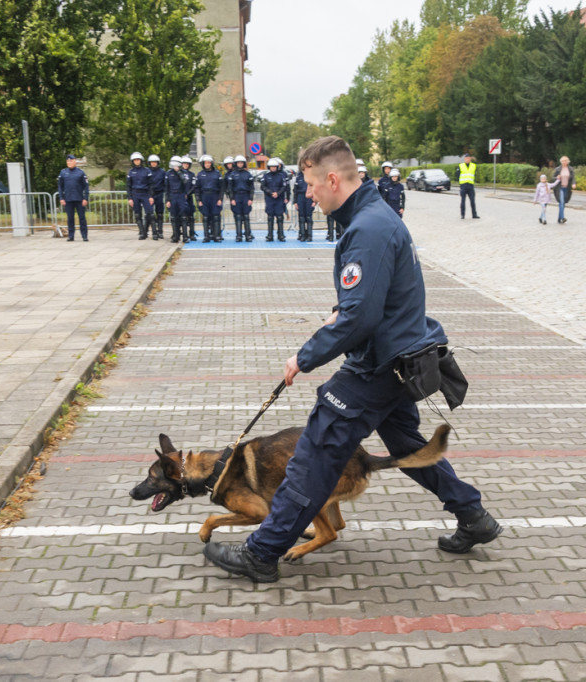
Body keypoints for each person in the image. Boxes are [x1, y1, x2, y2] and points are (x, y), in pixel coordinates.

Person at [203, 135, 500, 583]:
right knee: (407, 448)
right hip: (396, 359)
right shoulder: (372, 218)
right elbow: (373, 300)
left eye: (309, 184)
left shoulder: (368, 229)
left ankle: (261, 554)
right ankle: (473, 516)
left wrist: (305, 356)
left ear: (333, 179)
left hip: (378, 367)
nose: (306, 193)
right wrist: (341, 313)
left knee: (313, 455)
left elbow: (361, 319)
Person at [58, 154, 90, 241]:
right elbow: (60, 187)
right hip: (68, 199)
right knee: (70, 218)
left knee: (82, 218)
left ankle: (84, 235)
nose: (69, 162)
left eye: (71, 161)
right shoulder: (63, 173)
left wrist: (85, 198)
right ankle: (71, 236)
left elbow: (86, 186)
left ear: (75, 161)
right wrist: (61, 198)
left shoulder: (80, 172)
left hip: (79, 199)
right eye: (68, 161)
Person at [195, 154, 224, 242]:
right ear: (203, 164)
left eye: (209, 163)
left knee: (216, 216)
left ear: (211, 163)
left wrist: (220, 199)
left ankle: (216, 236)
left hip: (214, 196)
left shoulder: (217, 173)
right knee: (206, 217)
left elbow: (221, 188)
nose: (207, 164)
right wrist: (199, 200)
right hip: (204, 196)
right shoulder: (200, 174)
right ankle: (206, 236)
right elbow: (197, 188)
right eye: (206, 163)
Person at [126, 151, 154, 240]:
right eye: (135, 160)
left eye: (138, 160)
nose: (137, 161)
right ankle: (142, 232)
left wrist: (150, 196)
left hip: (145, 194)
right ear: (133, 161)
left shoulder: (147, 171)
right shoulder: (131, 172)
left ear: (141, 160)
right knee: (137, 214)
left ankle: (148, 231)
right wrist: (130, 198)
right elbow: (128, 186)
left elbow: (151, 185)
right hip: (135, 194)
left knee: (149, 213)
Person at [260, 157, 290, 242]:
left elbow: (284, 186)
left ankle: (281, 235)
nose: (273, 168)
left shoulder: (281, 176)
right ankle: (270, 235)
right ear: (269, 167)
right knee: (270, 218)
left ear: (277, 167)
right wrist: (270, 192)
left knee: (280, 217)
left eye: (275, 167)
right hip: (270, 199)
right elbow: (263, 186)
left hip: (279, 199)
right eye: (271, 166)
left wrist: (278, 193)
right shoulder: (266, 176)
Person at [226, 155, 254, 242]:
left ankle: (248, 235)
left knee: (246, 216)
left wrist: (251, 199)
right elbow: (230, 188)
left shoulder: (248, 174)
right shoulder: (232, 174)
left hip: (245, 196)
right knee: (238, 216)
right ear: (236, 164)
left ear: (244, 164)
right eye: (238, 163)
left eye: (241, 163)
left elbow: (252, 187)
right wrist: (232, 199)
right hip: (236, 196)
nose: (240, 164)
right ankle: (238, 235)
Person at [165, 156, 189, 244]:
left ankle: (185, 236)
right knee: (173, 217)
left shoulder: (183, 172)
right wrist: (167, 200)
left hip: (181, 195)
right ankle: (176, 235)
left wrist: (178, 172)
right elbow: (166, 187)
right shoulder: (168, 173)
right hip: (172, 196)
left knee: (183, 216)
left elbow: (185, 182)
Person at [552, 156, 576, 224]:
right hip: (560, 188)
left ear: (567, 161)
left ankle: (559, 218)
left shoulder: (571, 169)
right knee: (561, 202)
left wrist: (573, 184)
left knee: (563, 203)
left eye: (565, 161)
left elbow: (573, 178)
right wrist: (557, 177)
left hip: (567, 188)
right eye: (563, 161)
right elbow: (552, 178)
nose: (564, 162)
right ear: (561, 161)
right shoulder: (558, 169)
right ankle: (562, 218)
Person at [456, 152, 480, 219]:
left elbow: (475, 174)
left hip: (470, 185)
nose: (467, 159)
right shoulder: (460, 166)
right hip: (463, 186)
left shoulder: (473, 166)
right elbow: (457, 175)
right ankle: (462, 215)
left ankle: (474, 214)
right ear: (464, 159)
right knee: (463, 201)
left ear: (470, 159)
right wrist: (460, 183)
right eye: (466, 158)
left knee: (472, 201)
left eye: (469, 158)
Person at [293, 167, 314, 241]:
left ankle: (309, 235)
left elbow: (316, 188)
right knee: (301, 217)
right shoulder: (299, 176)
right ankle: (302, 234)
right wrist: (295, 202)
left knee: (308, 217)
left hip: (309, 198)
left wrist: (315, 201)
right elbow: (295, 190)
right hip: (300, 197)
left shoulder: (312, 175)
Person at [147, 154, 165, 239]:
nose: (153, 164)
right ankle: (153, 232)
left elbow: (165, 183)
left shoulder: (162, 172)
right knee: (150, 214)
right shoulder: (147, 171)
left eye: (155, 162)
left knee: (160, 214)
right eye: (152, 162)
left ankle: (160, 231)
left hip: (159, 194)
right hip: (150, 195)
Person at [180, 156, 198, 241]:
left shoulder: (192, 175)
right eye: (184, 164)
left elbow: (194, 186)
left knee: (191, 217)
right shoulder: (179, 174)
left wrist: (188, 194)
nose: (185, 165)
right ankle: (184, 235)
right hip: (180, 198)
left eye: (187, 164)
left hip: (189, 197)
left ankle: (192, 234)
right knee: (183, 217)